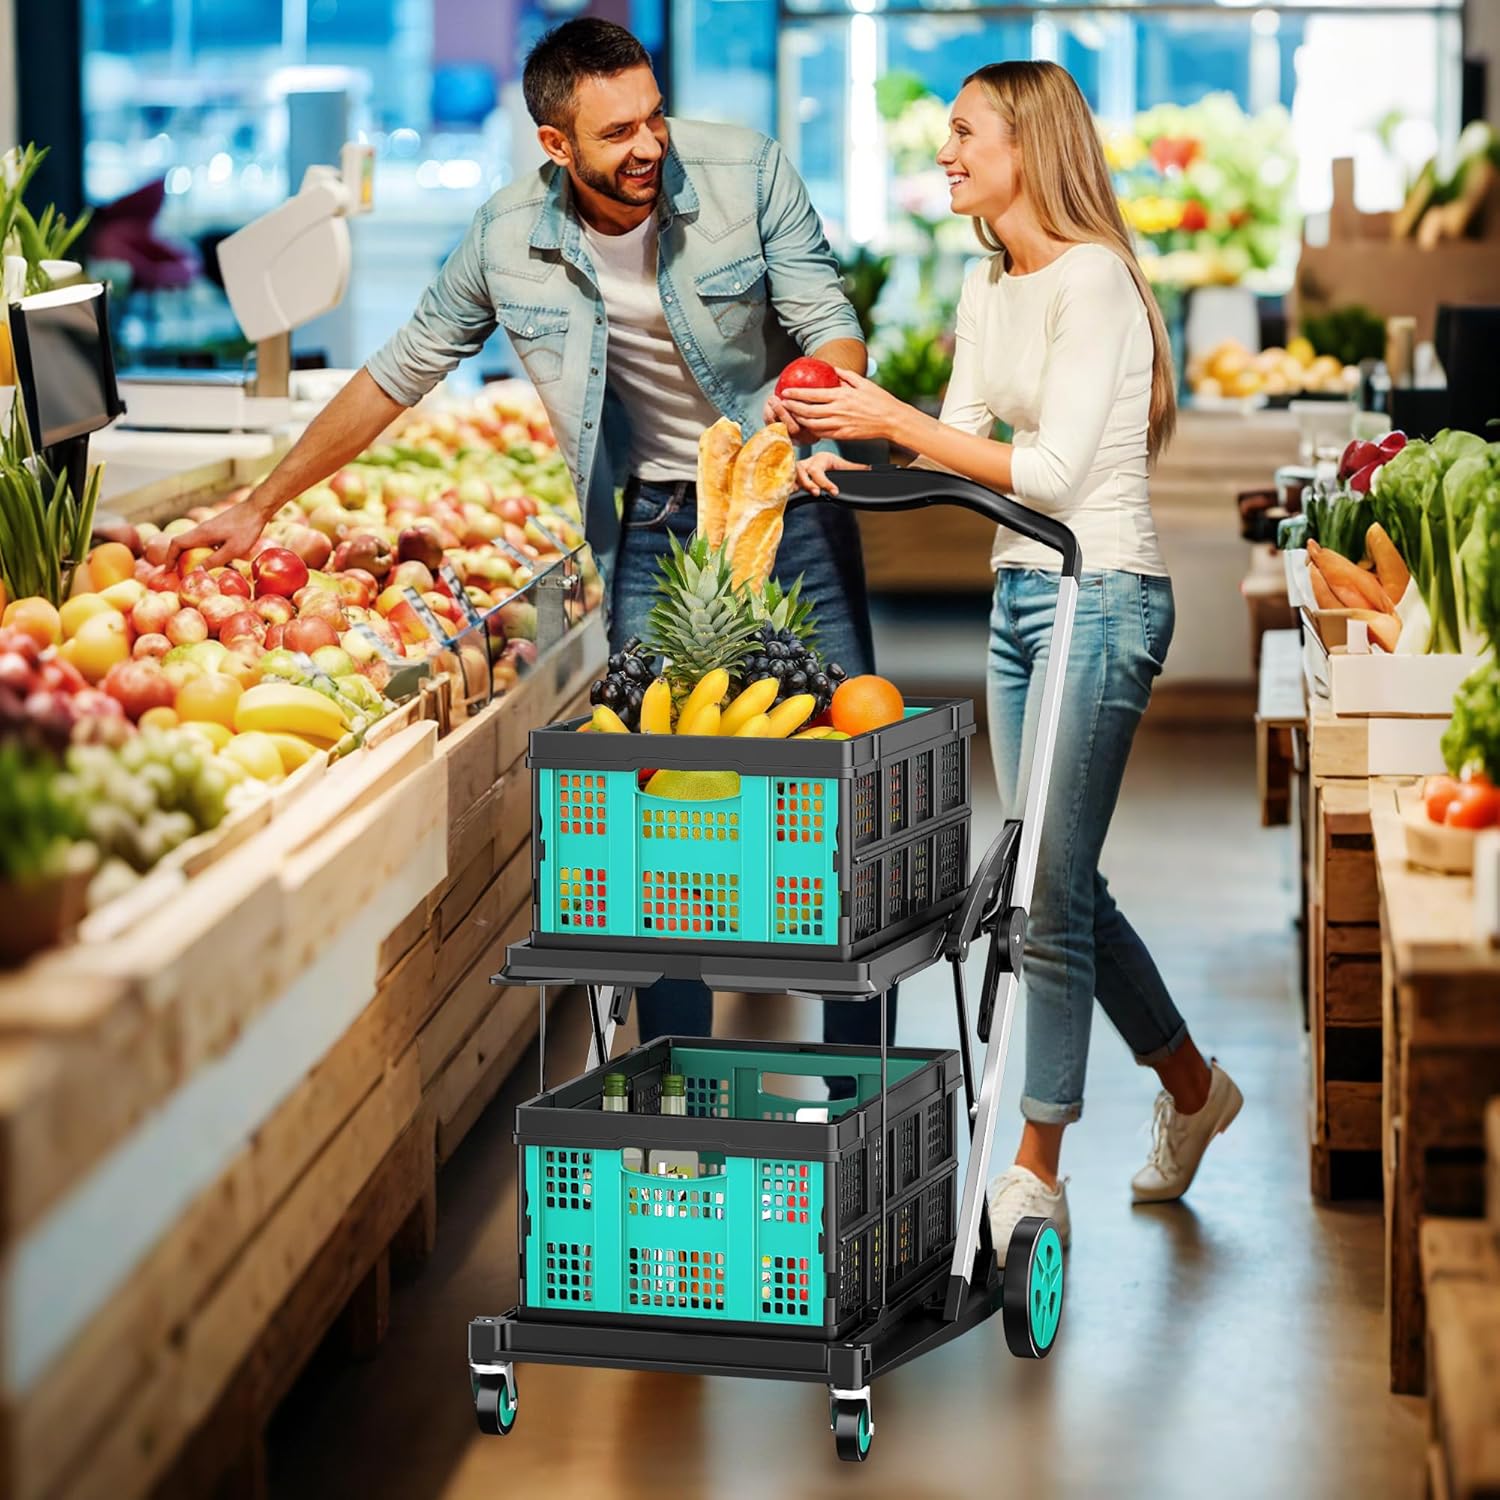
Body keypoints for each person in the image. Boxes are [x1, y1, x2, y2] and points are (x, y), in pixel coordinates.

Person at [150, 18, 889, 1057]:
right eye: (616, 133)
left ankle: (858, 1095)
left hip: (787, 499)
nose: (647, 147)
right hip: (657, 526)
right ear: (556, 147)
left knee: (842, 797)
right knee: (654, 817)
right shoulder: (505, 239)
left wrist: (806, 413)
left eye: (653, 118)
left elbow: (827, 319)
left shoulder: (744, 171)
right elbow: (397, 373)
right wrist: (261, 504)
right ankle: (676, 1104)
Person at [782, 60, 1242, 1259]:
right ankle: (1195, 1092)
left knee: (1041, 892)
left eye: (963, 134)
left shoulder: (1096, 284)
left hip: (1105, 597)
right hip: (1019, 603)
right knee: (1059, 879)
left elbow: (1046, 481)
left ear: (1028, 146)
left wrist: (892, 422)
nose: (944, 153)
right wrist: (849, 447)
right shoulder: (993, 287)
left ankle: (1037, 1167)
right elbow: (960, 448)